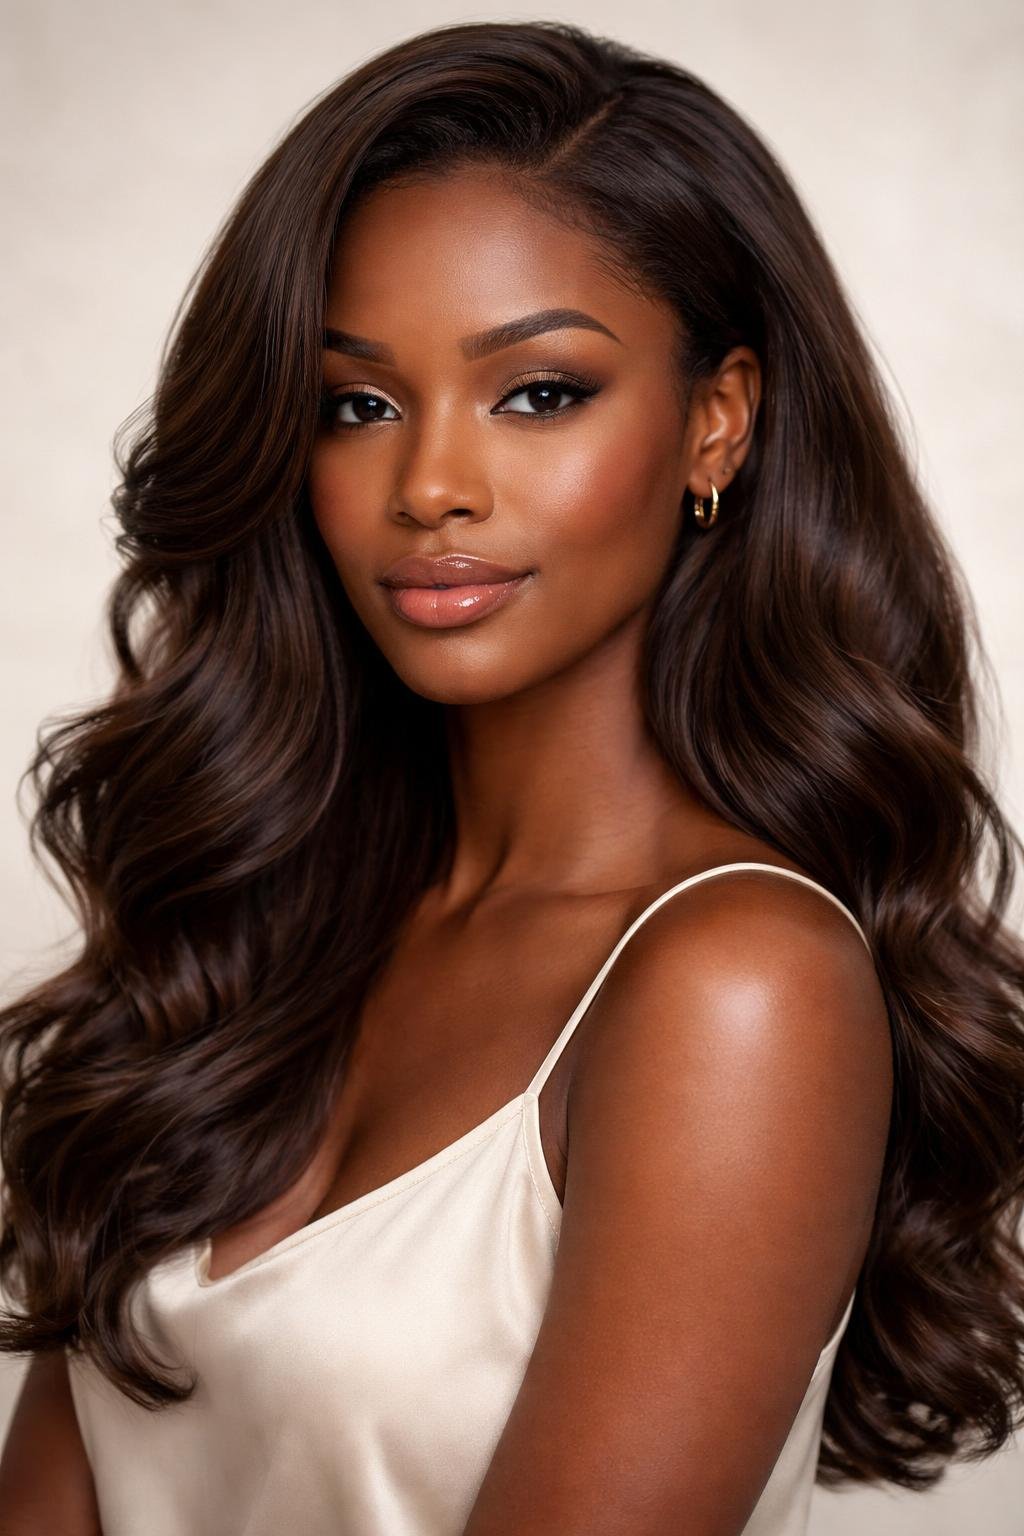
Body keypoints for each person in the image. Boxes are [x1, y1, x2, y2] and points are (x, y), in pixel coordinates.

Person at [1, 18, 1022, 1536]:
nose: (430, 488)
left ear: (716, 422)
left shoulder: (737, 985)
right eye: (358, 403)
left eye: (538, 391)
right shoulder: (263, 920)